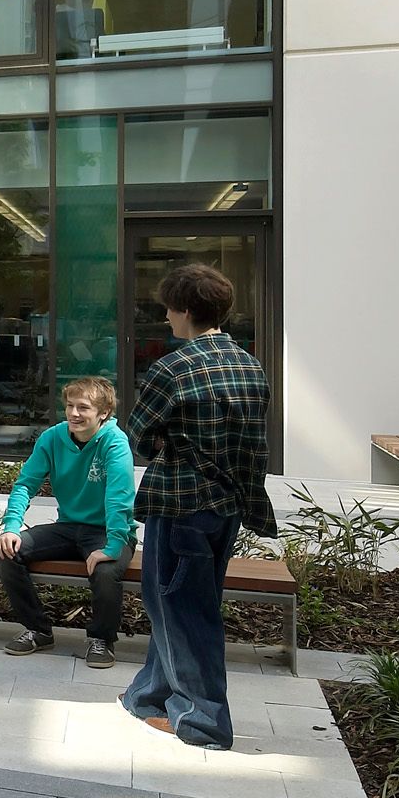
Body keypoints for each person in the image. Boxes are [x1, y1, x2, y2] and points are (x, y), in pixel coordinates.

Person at [120, 264, 276, 749]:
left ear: (185, 310)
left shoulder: (173, 367)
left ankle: (202, 720)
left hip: (181, 503)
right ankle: (150, 695)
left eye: (169, 308)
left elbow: (139, 435)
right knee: (187, 603)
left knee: (181, 610)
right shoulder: (250, 365)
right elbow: (254, 444)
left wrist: (169, 440)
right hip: (228, 505)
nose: (166, 317)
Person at [0, 376, 136, 668]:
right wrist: (11, 527)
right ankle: (38, 630)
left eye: (83, 407)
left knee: (106, 571)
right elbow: (25, 484)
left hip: (108, 531)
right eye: (70, 406)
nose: (74, 413)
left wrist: (113, 546)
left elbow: (119, 496)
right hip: (68, 527)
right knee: (7, 551)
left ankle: (102, 639)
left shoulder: (115, 442)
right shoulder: (53, 437)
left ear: (104, 413)